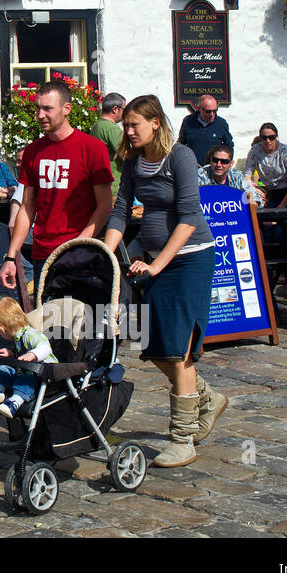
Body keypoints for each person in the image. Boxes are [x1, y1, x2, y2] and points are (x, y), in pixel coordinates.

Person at [103, 95, 223, 468]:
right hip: (153, 261)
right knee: (152, 344)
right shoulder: (133, 160)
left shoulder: (180, 157)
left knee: (178, 349)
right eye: (126, 124)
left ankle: (182, 438)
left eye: (135, 124)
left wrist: (156, 266)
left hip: (189, 261)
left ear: (156, 123)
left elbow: (188, 218)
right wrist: (105, 255)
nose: (128, 130)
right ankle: (206, 396)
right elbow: (121, 212)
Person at [0, 80, 114, 294]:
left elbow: (104, 206)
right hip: (43, 254)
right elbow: (27, 207)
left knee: (81, 320)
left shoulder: (92, 148)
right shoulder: (33, 152)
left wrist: (79, 244)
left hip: (80, 254)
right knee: (51, 323)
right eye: (38, 108)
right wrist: (11, 256)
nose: (40, 114)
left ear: (66, 109)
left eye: (47, 108)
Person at [0, 297, 57, 419]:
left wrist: (33, 355)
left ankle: (14, 403)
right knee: (4, 368)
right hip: (25, 370)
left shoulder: (31, 334)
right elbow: (21, 354)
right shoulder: (19, 338)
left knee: (26, 378)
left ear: (1, 328)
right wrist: (12, 353)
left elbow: (45, 348)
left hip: (43, 375)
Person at [244, 124, 287, 209]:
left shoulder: (285, 152)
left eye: (271, 137)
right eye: (264, 138)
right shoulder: (255, 150)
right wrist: (253, 189)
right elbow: (247, 174)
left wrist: (283, 204)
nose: (268, 141)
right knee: (265, 218)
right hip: (271, 190)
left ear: (276, 137)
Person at [176, 95, 235, 168]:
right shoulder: (188, 121)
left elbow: (229, 145)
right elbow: (181, 144)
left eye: (215, 111)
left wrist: (226, 163)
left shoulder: (221, 123)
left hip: (214, 169)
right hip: (192, 168)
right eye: (208, 111)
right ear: (198, 108)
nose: (212, 114)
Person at [196, 145, 261, 204]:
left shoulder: (236, 175)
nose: (218, 165)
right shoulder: (200, 175)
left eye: (224, 161)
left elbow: (256, 198)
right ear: (210, 160)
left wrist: (252, 205)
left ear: (231, 164)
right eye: (215, 160)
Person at [89, 92, 126, 197]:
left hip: (100, 184)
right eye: (124, 109)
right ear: (115, 109)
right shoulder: (111, 128)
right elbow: (126, 155)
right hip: (114, 185)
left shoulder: (97, 125)